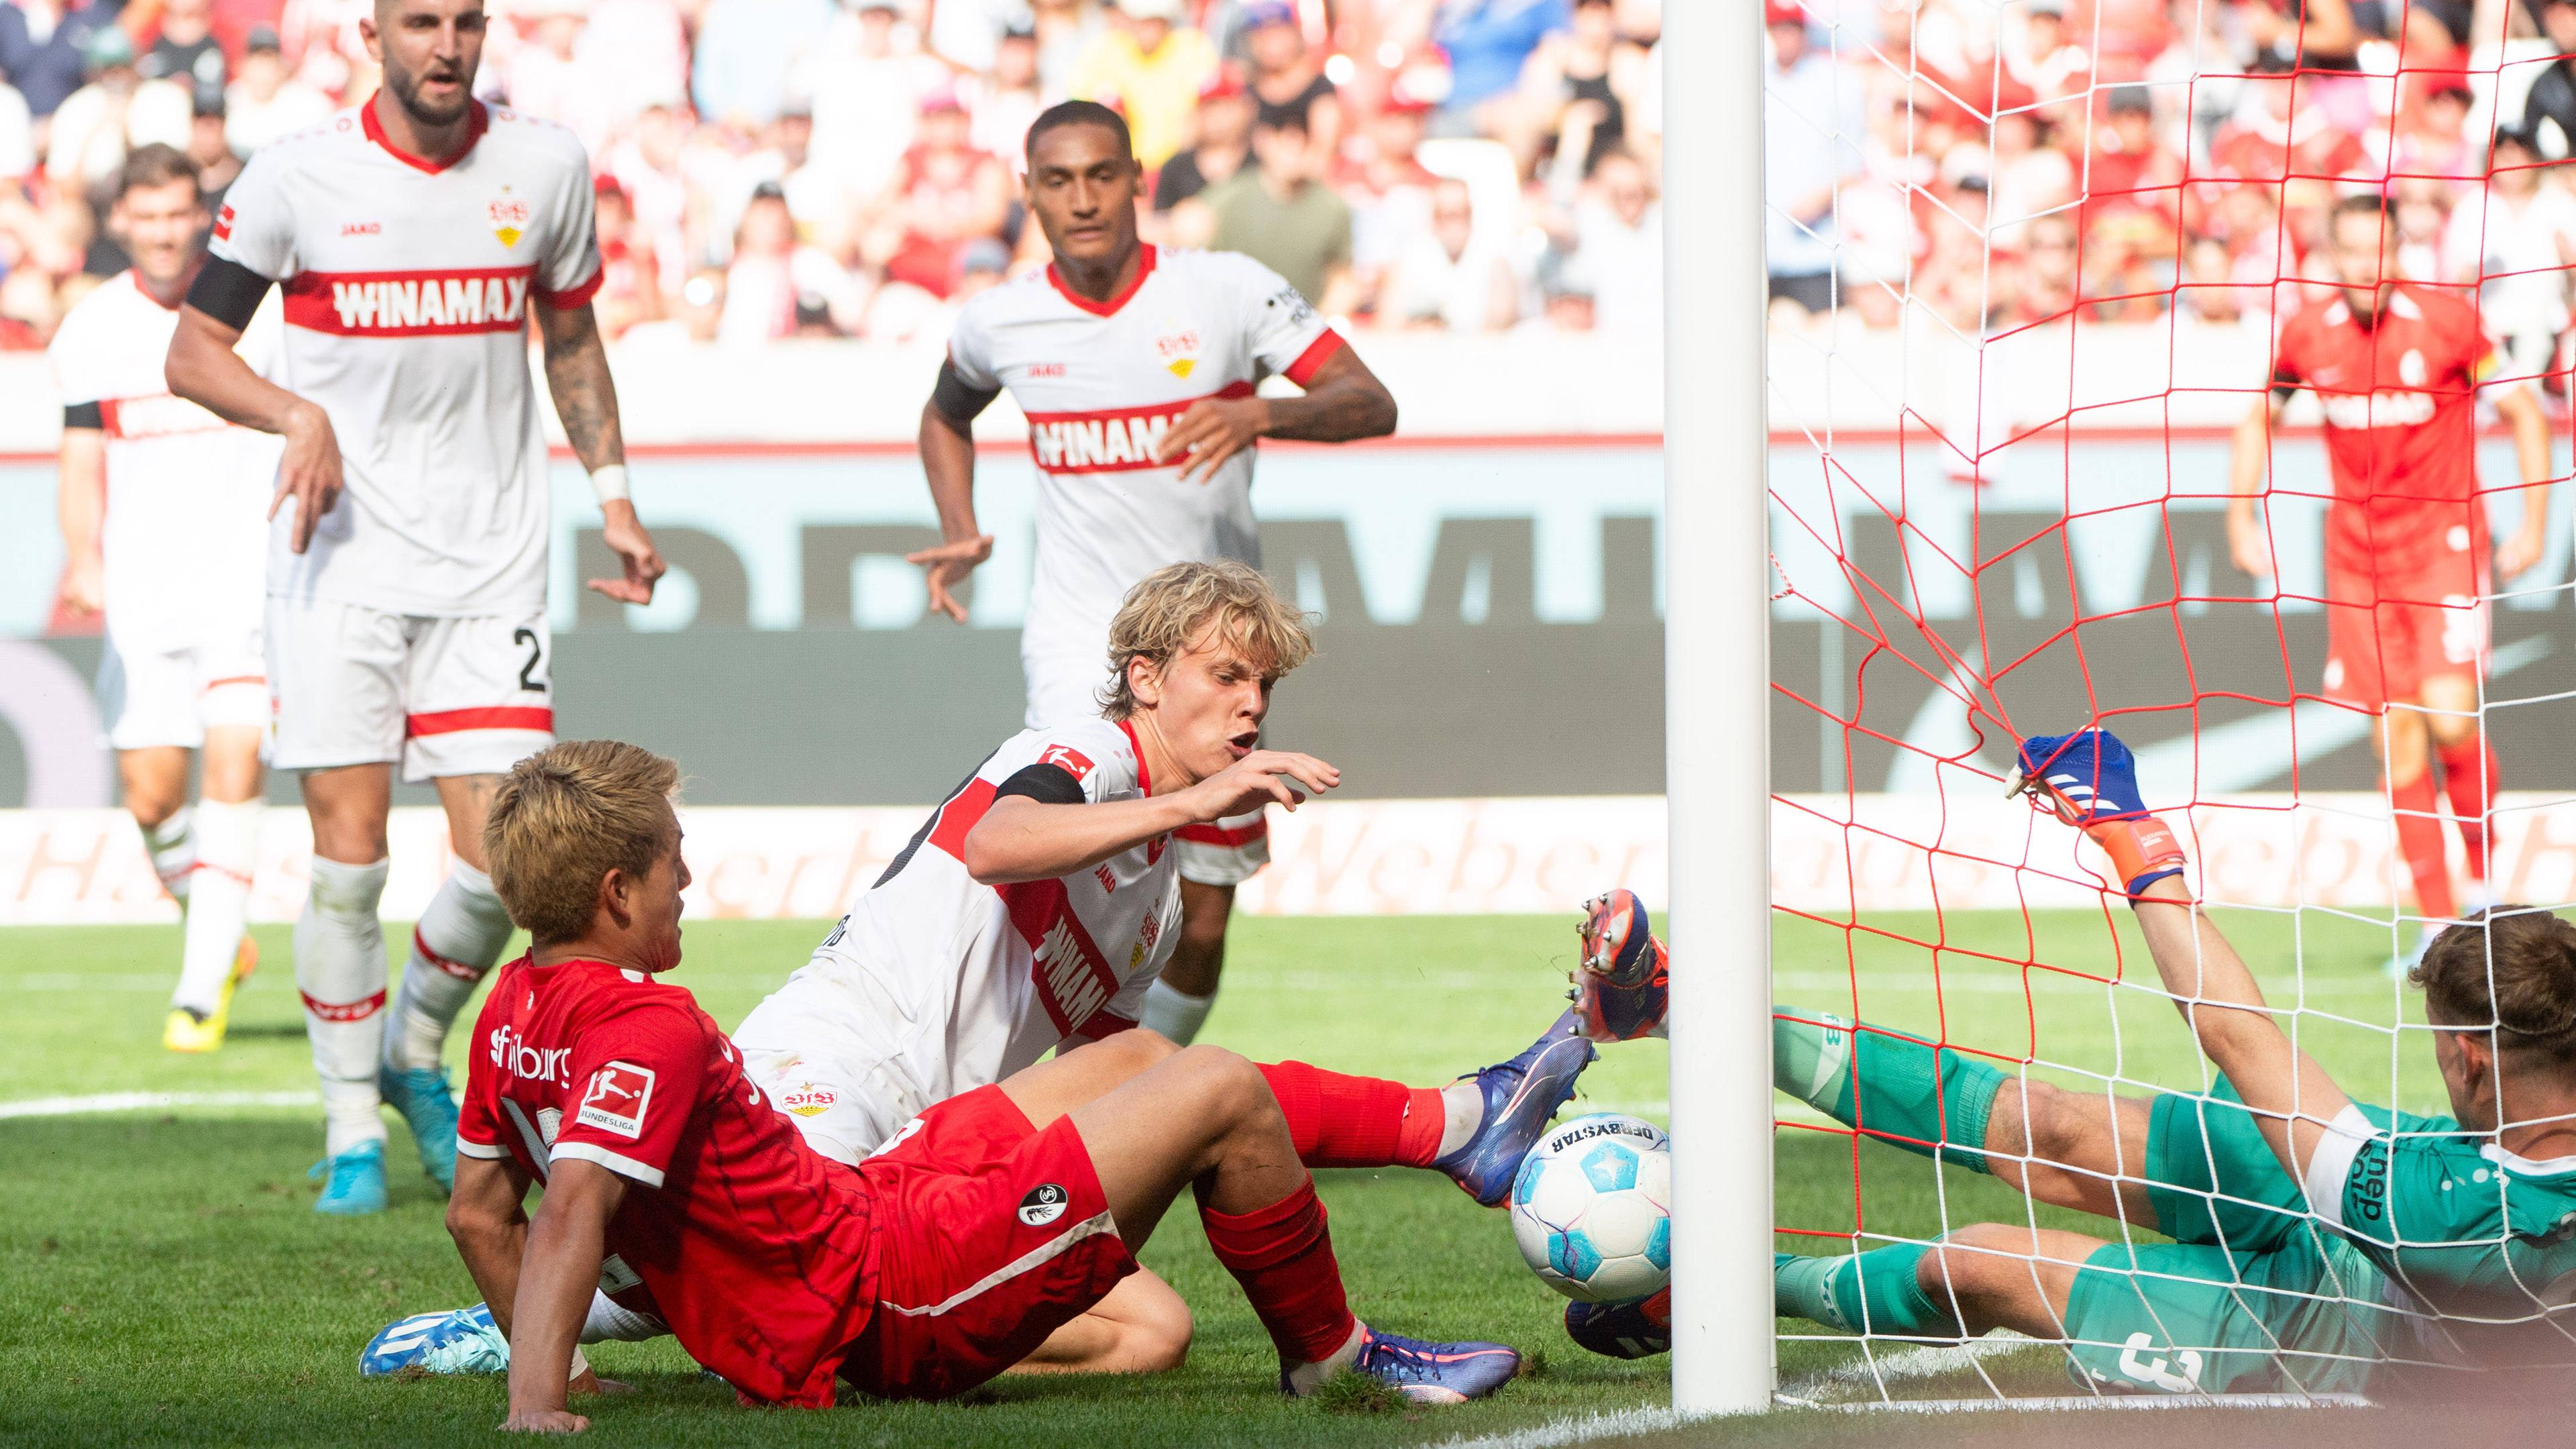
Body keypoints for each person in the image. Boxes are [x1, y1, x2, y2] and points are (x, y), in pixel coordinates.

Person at [373, 559, 1597, 1383]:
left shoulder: (1152, 897)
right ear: (1146, 680)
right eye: (1226, 676)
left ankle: (1460, 1129)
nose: (1251, 706)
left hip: (934, 1149)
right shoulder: (1072, 753)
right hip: (839, 1063)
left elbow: (1102, 1078)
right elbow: (1001, 841)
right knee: (736, 1264)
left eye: (1262, 687)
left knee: (1152, 1310)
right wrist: (1216, 795)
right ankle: (520, 1329)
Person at [443, 767, 1527, 1419]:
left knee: (1142, 1063)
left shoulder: (510, 1011)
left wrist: (574, 1371)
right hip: (884, 1290)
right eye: (675, 863)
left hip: (867, 1201)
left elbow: (479, 1213)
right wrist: (541, 1403)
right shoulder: (645, 1020)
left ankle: (1455, 1124)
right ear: (616, 889)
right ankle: (1332, 1365)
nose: (690, 882)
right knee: (1221, 1088)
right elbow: (576, 1202)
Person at [1571, 729, 2576, 1391]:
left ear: (2473, 1064)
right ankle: (1667, 1001)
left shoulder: (2460, 1223)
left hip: (2328, 1330)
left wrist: (2137, 844)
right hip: (2387, 1164)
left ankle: (1719, 1289)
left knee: (1981, 1262)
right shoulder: (2478, 1141)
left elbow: (2239, 1035)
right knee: (2050, 1125)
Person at [163, 0, 667, 1215]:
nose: (446, 46)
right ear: (371, 36)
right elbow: (192, 351)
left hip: (492, 558)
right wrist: (297, 414)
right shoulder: (297, 178)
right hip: (337, 561)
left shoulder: (544, 166)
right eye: (421, 23)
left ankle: (409, 1045)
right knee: (348, 861)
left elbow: (573, 338)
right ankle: (351, 1128)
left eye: (466, 23)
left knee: (507, 860)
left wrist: (615, 495)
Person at [908, 101, 1394, 1046]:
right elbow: (945, 412)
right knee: (1071, 865)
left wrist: (1262, 416)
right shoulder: (1002, 320)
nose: (1083, 199)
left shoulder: (1225, 293)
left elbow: (1369, 400)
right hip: (1080, 635)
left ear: (1137, 181)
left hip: (1215, 648)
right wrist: (959, 525)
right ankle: (1037, 1100)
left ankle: (1139, 1097)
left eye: (1101, 175)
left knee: (1199, 919)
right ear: (1031, 194)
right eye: (1058, 181)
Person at [2229, 193, 2555, 957]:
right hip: (2358, 561)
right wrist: (2240, 514)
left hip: (2442, 542)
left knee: (2450, 719)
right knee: (2396, 740)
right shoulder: (2306, 335)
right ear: (2331, 257)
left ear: (2397, 249)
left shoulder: (2449, 322)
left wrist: (2535, 522)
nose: (2367, 266)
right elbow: (2260, 417)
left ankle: (2484, 887)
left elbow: (2526, 414)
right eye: (2351, 251)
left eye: (2380, 249)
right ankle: (2439, 924)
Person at [47, 144, 280, 1053]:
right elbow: (78, 458)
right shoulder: (92, 330)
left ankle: (197, 988)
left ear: (201, 214)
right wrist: (83, 557)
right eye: (145, 215)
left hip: (243, 586)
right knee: (151, 800)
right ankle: (219, 930)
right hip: (145, 595)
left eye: (178, 212)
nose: (162, 230)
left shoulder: (251, 313)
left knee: (236, 766)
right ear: (121, 222)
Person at [1201, 109, 1356, 316]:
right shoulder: (1228, 198)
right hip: (1240, 324)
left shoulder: (1332, 207)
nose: (1295, 148)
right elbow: (1193, 243)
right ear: (1263, 141)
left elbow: (1342, 278)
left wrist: (1321, 325)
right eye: (1286, 138)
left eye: (1304, 139)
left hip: (1306, 330)